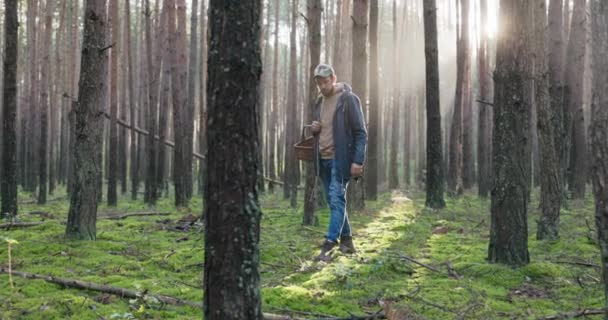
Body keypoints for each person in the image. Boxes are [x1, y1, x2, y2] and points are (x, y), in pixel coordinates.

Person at [310, 63, 367, 262]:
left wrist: (358, 161)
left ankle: (328, 245)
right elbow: (322, 129)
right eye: (319, 82)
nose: (323, 86)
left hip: (341, 159)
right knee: (334, 202)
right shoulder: (319, 102)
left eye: (326, 81)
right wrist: (314, 129)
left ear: (334, 79)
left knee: (336, 199)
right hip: (322, 159)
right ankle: (347, 242)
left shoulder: (349, 100)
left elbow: (360, 133)